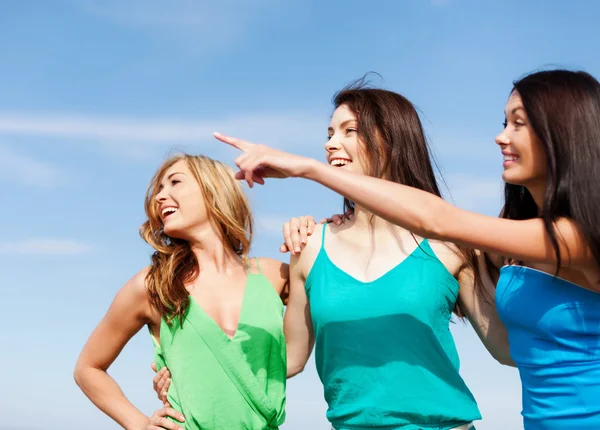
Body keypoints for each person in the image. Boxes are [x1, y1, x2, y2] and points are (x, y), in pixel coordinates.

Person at [216, 69, 600, 429]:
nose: (500, 136)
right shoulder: (516, 236)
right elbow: (291, 358)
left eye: (350, 130)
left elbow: (438, 222)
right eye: (505, 122)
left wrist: (307, 168)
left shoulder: (572, 237)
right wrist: (199, 362)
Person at [74, 154, 289, 430]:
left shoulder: (274, 276)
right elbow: (87, 368)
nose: (160, 197)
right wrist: (139, 425)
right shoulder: (154, 286)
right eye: (158, 190)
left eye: (175, 182)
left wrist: (312, 231)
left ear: (214, 189)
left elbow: (303, 352)